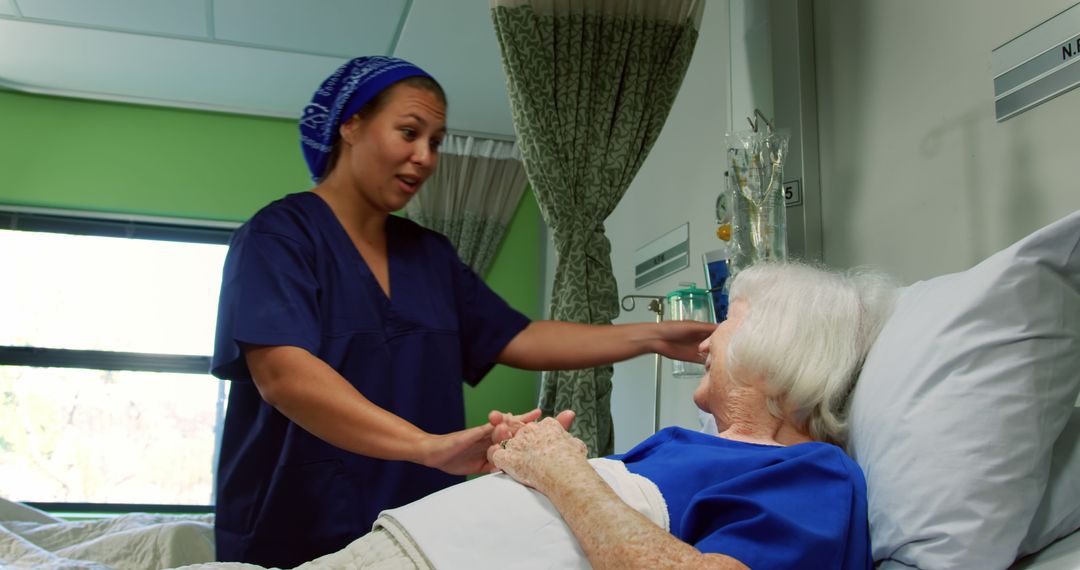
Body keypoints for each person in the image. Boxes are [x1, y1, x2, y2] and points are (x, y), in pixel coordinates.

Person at [209, 55, 715, 567]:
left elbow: (517, 337)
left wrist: (651, 336)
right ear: (352, 126)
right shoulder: (279, 236)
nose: (426, 157)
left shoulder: (430, 256)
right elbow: (284, 375)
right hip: (296, 527)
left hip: (418, 531)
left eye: (435, 141)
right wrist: (427, 447)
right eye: (409, 132)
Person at [204, 261, 891, 570]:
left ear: (782, 347)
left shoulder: (814, 476)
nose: (706, 340)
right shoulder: (685, 446)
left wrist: (562, 473)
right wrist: (525, 463)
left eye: (728, 324)